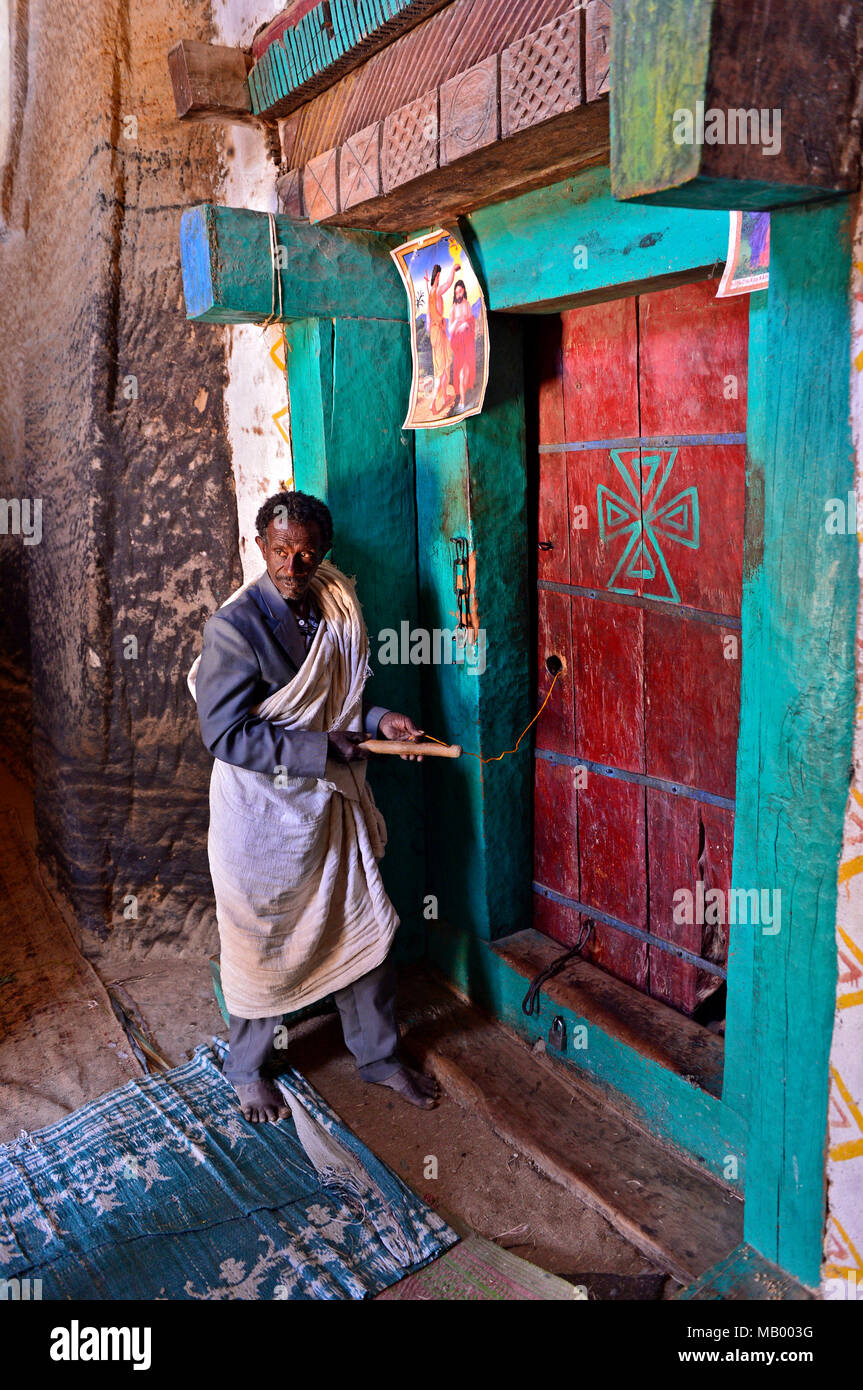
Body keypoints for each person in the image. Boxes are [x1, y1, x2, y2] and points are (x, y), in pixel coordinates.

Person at [192, 490, 440, 1123]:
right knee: (260, 940)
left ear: (323, 551)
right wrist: (317, 746)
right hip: (260, 816)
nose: (293, 566)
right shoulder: (234, 627)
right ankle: (246, 1069)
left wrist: (389, 724)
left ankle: (379, 1056)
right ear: (260, 546)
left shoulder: (336, 608)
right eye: (280, 551)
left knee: (358, 918)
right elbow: (223, 735)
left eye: (306, 552)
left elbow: (343, 702)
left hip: (325, 804)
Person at [424, 260, 459, 415]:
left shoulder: (431, 292)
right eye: (440, 275)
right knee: (441, 370)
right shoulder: (436, 292)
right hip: (438, 333)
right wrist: (453, 269)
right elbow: (449, 282)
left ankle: (444, 396)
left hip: (436, 333)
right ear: (437, 275)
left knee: (444, 366)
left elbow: (430, 317)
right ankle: (433, 403)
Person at [448, 279, 476, 411]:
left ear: (463, 291)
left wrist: (467, 324)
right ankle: (462, 401)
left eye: (460, 291)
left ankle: (464, 399)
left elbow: (471, 321)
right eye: (456, 292)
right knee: (461, 373)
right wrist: (459, 323)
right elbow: (450, 329)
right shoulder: (453, 308)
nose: (458, 294)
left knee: (467, 371)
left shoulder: (467, 304)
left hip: (468, 342)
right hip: (459, 343)